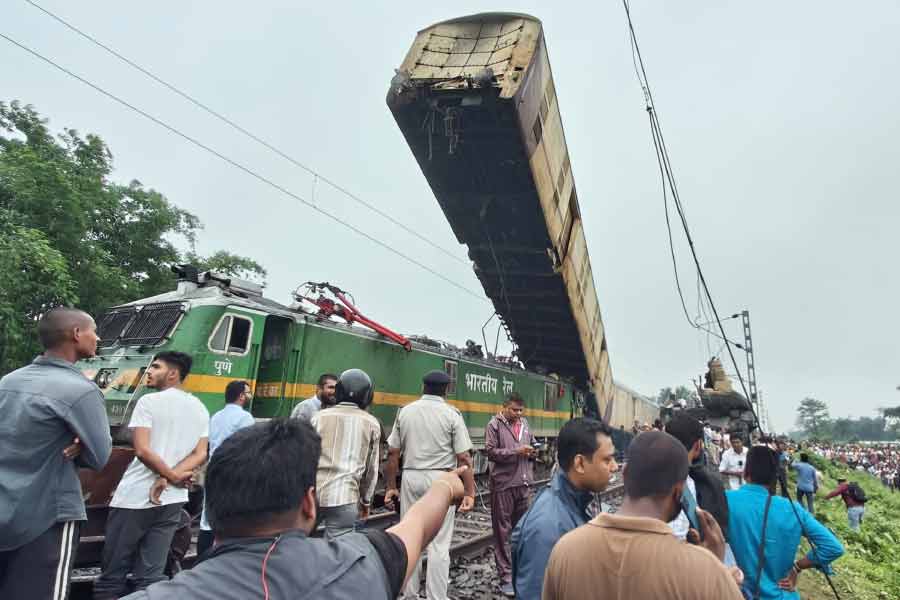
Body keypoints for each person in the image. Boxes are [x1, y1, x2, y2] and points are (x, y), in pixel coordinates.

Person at [120, 418, 470, 599]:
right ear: (308, 502)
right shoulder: (358, 564)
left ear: (214, 503)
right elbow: (417, 525)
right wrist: (444, 486)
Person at [542, 431, 743, 600]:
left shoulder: (565, 551)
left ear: (626, 474)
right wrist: (717, 572)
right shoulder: (705, 571)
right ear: (679, 492)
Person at [0, 308, 113, 600]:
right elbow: (99, 457)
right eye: (93, 330)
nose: (97, 337)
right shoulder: (82, 391)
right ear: (77, 334)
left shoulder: (8, 382)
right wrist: (80, 447)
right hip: (48, 516)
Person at [94, 352, 209, 599]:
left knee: (112, 573)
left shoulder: (148, 402)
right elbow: (200, 453)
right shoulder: (199, 407)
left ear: (172, 373)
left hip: (134, 498)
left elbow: (143, 450)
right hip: (172, 500)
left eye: (155, 367)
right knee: (151, 576)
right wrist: (172, 478)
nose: (148, 371)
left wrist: (165, 476)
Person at [383, 369, 476, 600]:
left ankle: (410, 594)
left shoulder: (405, 412)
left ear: (422, 387)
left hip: (411, 476)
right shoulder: (452, 414)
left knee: (411, 534)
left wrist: (390, 486)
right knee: (439, 544)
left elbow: (393, 452)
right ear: (446, 389)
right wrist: (470, 492)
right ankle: (436, 596)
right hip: (441, 479)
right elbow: (464, 457)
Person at [510, 418, 618, 600]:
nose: (615, 467)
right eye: (607, 459)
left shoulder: (579, 501)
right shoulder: (547, 527)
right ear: (580, 464)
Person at [727, 446, 844, 599]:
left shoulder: (725, 500)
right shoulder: (794, 510)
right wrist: (797, 567)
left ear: (745, 472)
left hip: (737, 593)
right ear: (775, 476)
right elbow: (833, 547)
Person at [311, 369, 382, 538]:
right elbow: (371, 470)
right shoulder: (371, 423)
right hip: (345, 496)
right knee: (337, 549)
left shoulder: (318, 418)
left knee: (297, 542)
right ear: (367, 396)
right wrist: (366, 501)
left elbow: (304, 457)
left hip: (312, 496)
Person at [663, 414, 738, 565]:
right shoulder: (710, 486)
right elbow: (720, 539)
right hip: (698, 568)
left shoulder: (644, 482)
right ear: (698, 446)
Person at [197, 380, 255, 556]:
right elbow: (248, 448)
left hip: (213, 468)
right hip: (233, 471)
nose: (250, 396)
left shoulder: (216, 416)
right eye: (248, 392)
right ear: (241, 396)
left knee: (207, 519)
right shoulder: (245, 418)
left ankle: (202, 559)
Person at [485, 392, 534, 596]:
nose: (518, 413)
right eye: (515, 410)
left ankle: (519, 573)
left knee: (522, 531)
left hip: (523, 484)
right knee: (502, 533)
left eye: (521, 410)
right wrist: (517, 451)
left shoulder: (525, 425)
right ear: (504, 407)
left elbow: (530, 443)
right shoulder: (494, 425)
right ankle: (505, 577)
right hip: (503, 485)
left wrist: (534, 450)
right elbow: (490, 452)